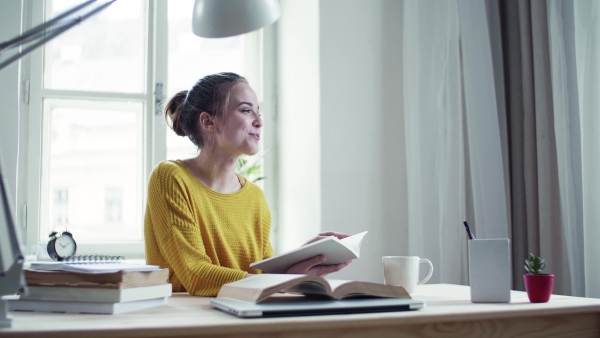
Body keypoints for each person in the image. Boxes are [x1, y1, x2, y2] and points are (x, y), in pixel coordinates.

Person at [144, 72, 351, 296]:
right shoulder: (171, 177)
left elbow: (261, 277)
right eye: (245, 110)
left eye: (258, 112)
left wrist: (299, 260)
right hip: (186, 319)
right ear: (208, 121)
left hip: (244, 315)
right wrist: (280, 278)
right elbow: (196, 275)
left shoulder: (254, 197)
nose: (259, 121)